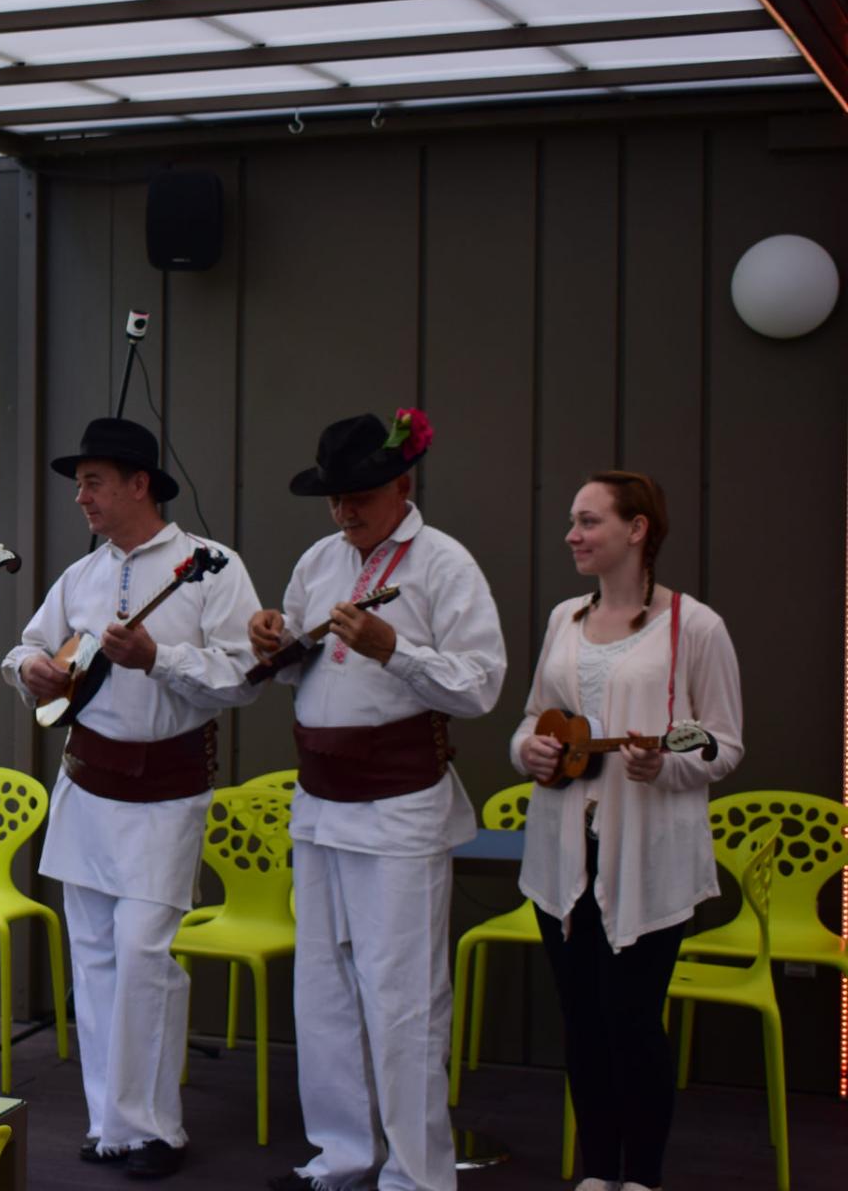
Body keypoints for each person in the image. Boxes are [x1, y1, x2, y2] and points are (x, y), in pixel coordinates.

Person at [250, 409, 506, 1191]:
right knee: (323, 989)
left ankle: (416, 1174)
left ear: (403, 483)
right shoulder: (319, 560)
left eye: (358, 495)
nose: (344, 510)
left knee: (402, 997)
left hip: (399, 804)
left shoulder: (443, 564)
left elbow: (481, 686)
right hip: (321, 798)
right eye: (334, 497)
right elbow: (305, 666)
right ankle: (342, 1155)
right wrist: (273, 643)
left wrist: (396, 650)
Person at [3, 417, 261, 1181]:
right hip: (87, 786)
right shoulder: (81, 576)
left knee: (145, 954)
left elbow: (244, 676)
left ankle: (156, 1129)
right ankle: (110, 1125)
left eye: (93, 482)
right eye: (79, 483)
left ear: (139, 484)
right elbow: (27, 645)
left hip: (167, 790)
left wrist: (160, 658)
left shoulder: (211, 568)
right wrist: (31, 671)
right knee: (94, 959)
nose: (80, 497)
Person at [511, 472, 742, 1191]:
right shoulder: (563, 619)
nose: (572, 535)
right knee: (582, 1021)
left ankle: (642, 1178)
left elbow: (724, 743)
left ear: (637, 529)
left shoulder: (695, 627)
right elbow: (532, 718)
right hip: (562, 857)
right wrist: (528, 751)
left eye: (589, 521)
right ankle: (597, 1173)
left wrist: (666, 767)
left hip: (646, 860)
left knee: (632, 1022)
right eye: (573, 522)